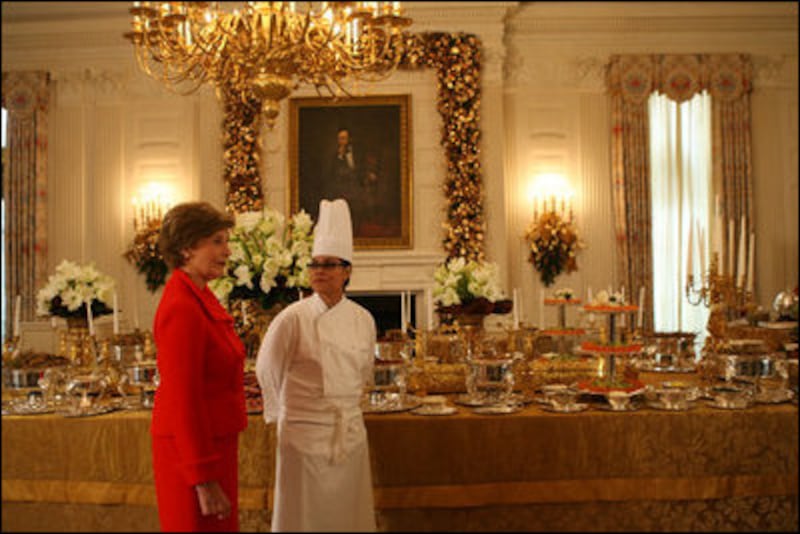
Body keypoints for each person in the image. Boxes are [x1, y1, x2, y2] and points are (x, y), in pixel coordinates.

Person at [255, 198, 377, 532]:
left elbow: (365, 369)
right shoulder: (292, 318)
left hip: (348, 434)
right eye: (314, 265)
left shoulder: (363, 319)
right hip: (303, 438)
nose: (319, 271)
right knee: (304, 518)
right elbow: (267, 368)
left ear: (347, 271)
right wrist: (279, 416)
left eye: (329, 264)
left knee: (348, 517)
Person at [151, 201, 247, 532]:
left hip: (213, 445)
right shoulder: (182, 306)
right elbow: (183, 399)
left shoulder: (200, 296)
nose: (227, 250)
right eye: (217, 241)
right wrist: (203, 478)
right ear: (188, 247)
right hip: (191, 454)